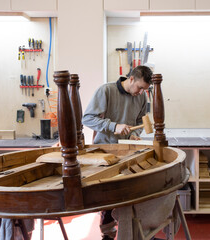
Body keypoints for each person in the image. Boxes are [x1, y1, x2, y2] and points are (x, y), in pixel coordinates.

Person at [82, 65, 153, 240]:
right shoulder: (106, 91)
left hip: (129, 151)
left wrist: (135, 134)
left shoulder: (141, 97)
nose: (141, 92)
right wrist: (114, 126)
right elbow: (87, 119)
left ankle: (129, 232)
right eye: (140, 87)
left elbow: (139, 121)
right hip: (106, 151)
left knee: (130, 194)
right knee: (108, 197)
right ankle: (107, 233)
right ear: (131, 79)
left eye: (145, 89)